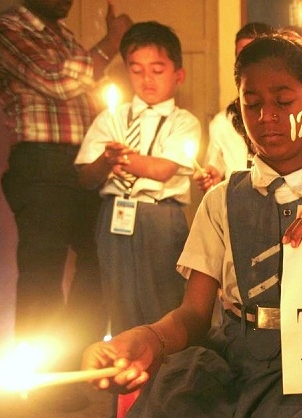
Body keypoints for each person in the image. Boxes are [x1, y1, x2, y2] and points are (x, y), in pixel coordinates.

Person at [82, 34, 302, 418]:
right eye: (252, 104)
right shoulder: (220, 200)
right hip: (229, 357)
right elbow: (194, 314)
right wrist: (147, 338)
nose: (266, 116)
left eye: (283, 102)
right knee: (173, 410)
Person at [0, 0, 132, 370]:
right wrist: (111, 42)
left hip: (83, 161)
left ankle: (79, 360)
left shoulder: (62, 35)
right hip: (40, 160)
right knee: (43, 268)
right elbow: (57, 81)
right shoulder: (4, 27)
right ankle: (42, 376)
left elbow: (85, 89)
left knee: (99, 256)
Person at [75, 21, 201, 334]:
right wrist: (105, 161)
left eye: (157, 70)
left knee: (164, 301)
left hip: (161, 216)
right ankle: (127, 361)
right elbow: (86, 177)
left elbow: (162, 169)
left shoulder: (183, 122)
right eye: (137, 70)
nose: (147, 79)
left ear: (178, 75)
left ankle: (166, 363)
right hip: (114, 214)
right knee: (119, 301)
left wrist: (120, 158)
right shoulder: (111, 118)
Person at [196, 22, 274, 193]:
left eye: (258, 56)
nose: (251, 65)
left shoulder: (288, 117)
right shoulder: (223, 123)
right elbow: (214, 171)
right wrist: (213, 180)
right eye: (243, 57)